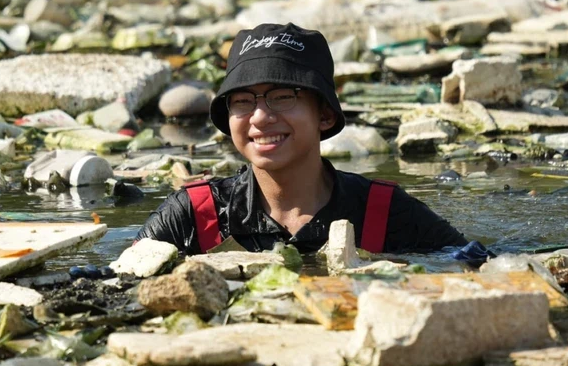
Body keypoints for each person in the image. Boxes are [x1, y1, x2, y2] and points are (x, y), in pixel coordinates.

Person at [137, 22, 467, 255]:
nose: (260, 117)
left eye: (282, 96)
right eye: (242, 100)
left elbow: (479, 264)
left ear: (324, 113)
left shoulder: (381, 213)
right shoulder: (195, 215)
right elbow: (117, 281)